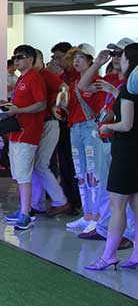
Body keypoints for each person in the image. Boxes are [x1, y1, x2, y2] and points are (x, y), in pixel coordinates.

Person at [85, 43, 138, 271]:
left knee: (118, 205)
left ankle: (108, 255)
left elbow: (126, 124)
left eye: (122, 57)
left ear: (130, 61)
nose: (119, 61)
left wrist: (108, 127)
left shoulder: (128, 89)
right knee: (135, 204)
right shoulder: (129, 90)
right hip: (134, 151)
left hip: (126, 152)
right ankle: (136, 254)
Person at [59, 44, 105, 234]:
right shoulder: (74, 83)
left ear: (91, 61)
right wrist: (64, 107)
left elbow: (99, 110)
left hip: (90, 128)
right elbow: (73, 110)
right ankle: (87, 215)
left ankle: (96, 217)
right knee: (80, 173)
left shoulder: (98, 82)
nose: (76, 61)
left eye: (81, 58)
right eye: (75, 58)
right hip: (75, 128)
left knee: (93, 173)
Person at [3, 45, 47, 230]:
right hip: (17, 132)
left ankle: (26, 213)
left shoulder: (34, 78)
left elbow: (41, 104)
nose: (16, 61)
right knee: (19, 173)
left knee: (23, 174)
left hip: (27, 133)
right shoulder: (22, 78)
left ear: (30, 59)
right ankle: (24, 208)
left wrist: (19, 110)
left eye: (20, 57)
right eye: (15, 57)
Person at [30, 49, 71, 216]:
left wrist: (57, 105)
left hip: (49, 123)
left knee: (40, 164)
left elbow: (64, 88)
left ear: (38, 59)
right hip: (39, 124)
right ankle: (37, 203)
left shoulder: (46, 75)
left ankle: (59, 200)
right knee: (37, 164)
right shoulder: (32, 76)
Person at [49, 41, 82, 212]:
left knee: (75, 164)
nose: (57, 61)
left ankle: (77, 200)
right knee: (65, 163)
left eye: (59, 57)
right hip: (63, 123)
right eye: (54, 58)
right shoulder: (62, 77)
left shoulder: (78, 77)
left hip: (77, 125)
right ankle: (70, 198)